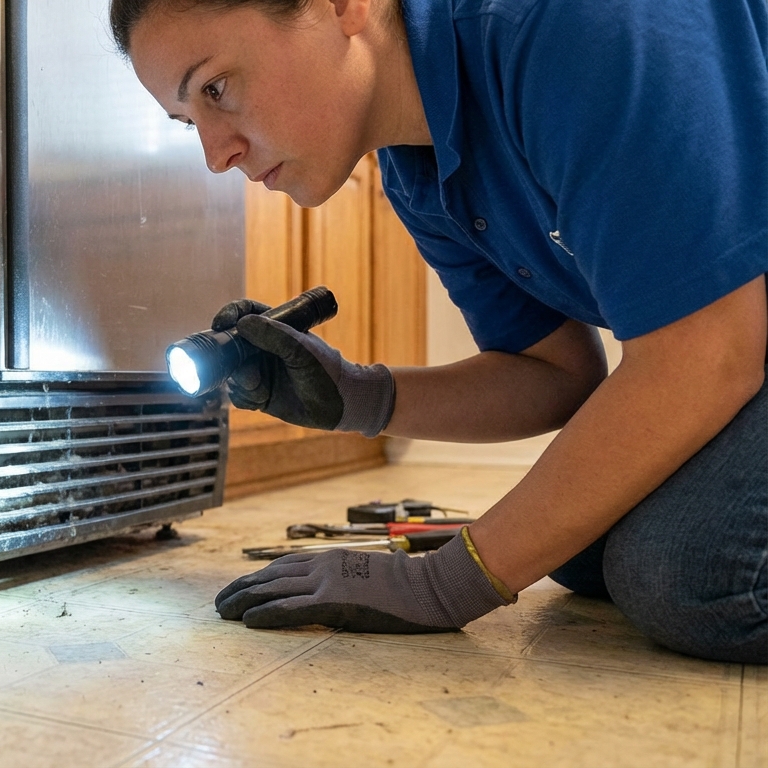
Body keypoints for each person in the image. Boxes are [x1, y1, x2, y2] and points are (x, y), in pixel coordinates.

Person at [110, 0, 768, 662]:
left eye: (217, 88)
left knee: (698, 574)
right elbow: (559, 374)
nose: (216, 154)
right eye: (187, 119)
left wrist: (443, 583)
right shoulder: (417, 168)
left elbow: (708, 355)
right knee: (581, 547)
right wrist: (357, 396)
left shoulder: (570, 22)